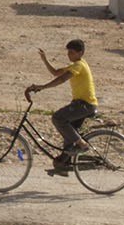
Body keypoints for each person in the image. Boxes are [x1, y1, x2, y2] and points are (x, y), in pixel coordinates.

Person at [29, 39, 100, 176]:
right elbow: (56, 73)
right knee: (69, 134)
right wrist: (44, 59)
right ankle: (63, 165)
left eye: (72, 52)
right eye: (68, 52)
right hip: (80, 104)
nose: (69, 55)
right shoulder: (75, 64)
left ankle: (82, 145)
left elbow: (62, 79)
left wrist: (42, 87)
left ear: (80, 53)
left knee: (58, 118)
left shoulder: (79, 66)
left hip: (85, 105)